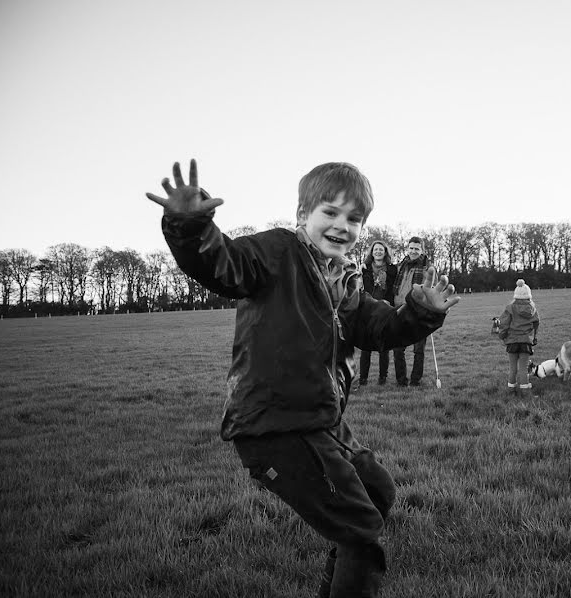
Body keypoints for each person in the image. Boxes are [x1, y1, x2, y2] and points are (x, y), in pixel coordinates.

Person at [146, 159, 459, 598]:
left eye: (354, 218)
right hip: (276, 424)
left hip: (321, 421)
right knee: (360, 528)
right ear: (301, 216)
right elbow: (223, 264)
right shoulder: (276, 253)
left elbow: (380, 328)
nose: (341, 226)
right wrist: (190, 225)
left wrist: (421, 312)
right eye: (330, 212)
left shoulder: (345, 282)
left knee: (377, 493)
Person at [392, 237, 430, 386]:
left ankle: (416, 380)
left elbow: (431, 290)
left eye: (417, 248)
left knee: (418, 350)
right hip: (399, 310)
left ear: (422, 250)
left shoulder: (427, 268)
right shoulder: (400, 266)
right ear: (407, 249)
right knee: (397, 348)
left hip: (418, 312)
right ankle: (401, 380)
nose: (413, 251)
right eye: (411, 248)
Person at [358, 240, 397, 386]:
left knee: (384, 346)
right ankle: (363, 379)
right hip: (367, 310)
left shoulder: (392, 269)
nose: (378, 252)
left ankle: (382, 378)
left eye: (381, 249)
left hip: (385, 309)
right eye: (376, 250)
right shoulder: (365, 268)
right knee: (365, 345)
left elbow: (394, 288)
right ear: (372, 252)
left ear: (385, 252)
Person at [496, 279, 540, 397]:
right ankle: (525, 391)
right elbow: (536, 323)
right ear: (529, 296)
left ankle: (511, 389)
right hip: (525, 342)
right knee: (523, 368)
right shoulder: (532, 309)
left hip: (512, 342)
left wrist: (502, 336)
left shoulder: (510, 308)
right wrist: (534, 337)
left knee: (513, 367)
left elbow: (503, 324)